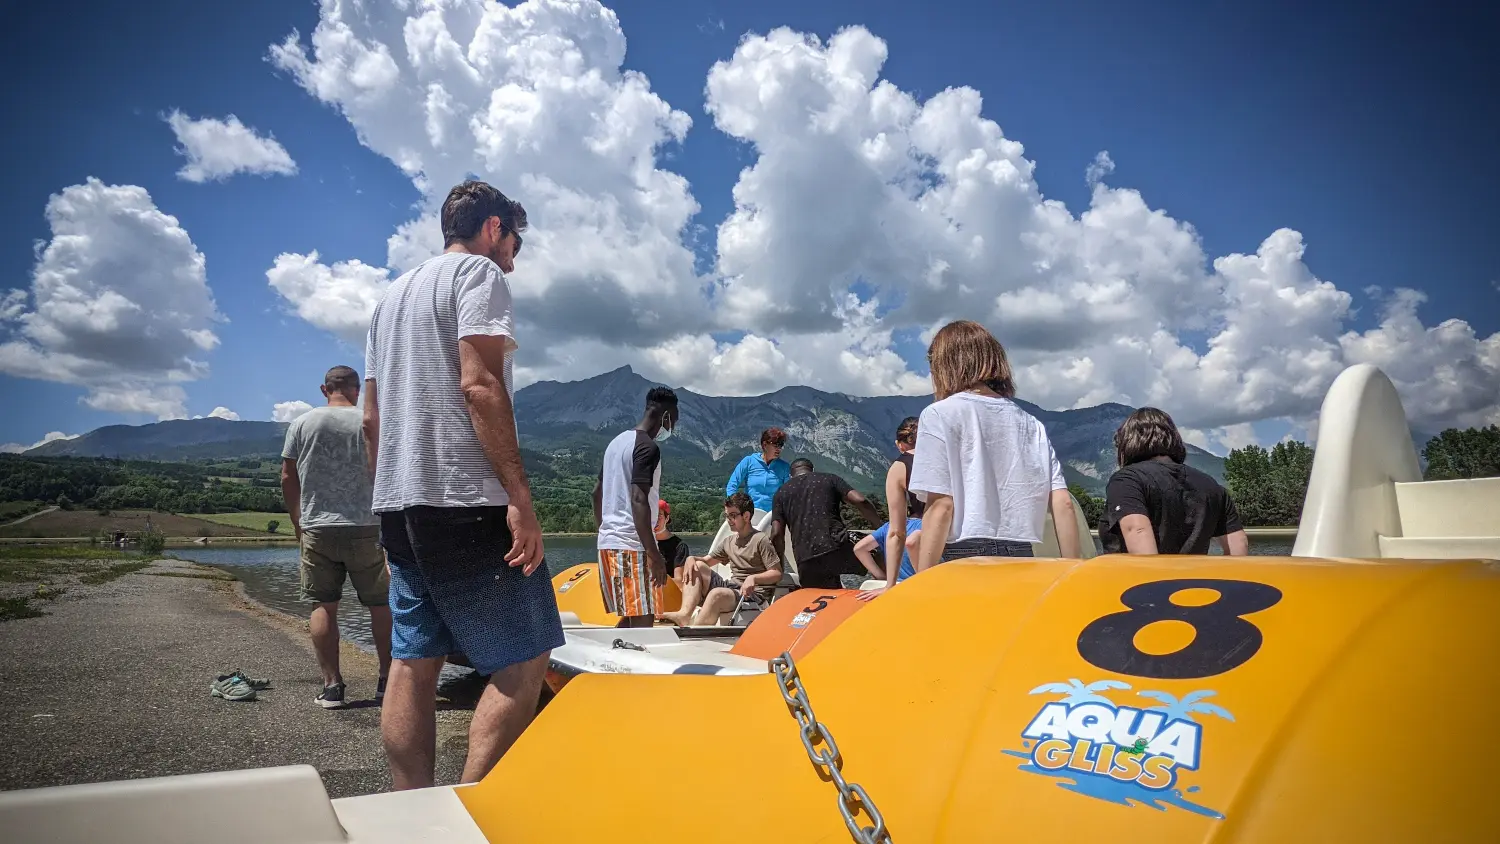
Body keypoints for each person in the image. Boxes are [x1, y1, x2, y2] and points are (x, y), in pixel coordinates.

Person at [363, 179, 561, 790]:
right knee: (528, 655)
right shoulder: (479, 276)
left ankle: (409, 808)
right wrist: (520, 499)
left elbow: (370, 418)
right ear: (494, 228)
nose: (514, 260)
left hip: (400, 504)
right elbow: (479, 385)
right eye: (515, 243)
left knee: (414, 659)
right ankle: (471, 802)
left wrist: (388, 498)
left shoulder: (389, 299)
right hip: (465, 500)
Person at [909, 320, 1081, 574]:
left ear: (944, 365)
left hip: (963, 554)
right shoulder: (1030, 423)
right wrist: (1072, 569)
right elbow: (1063, 503)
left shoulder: (939, 415)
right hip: (1022, 553)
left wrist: (921, 582)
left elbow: (942, 505)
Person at [280, 365, 392, 709]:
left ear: (324, 389)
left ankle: (332, 687)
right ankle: (388, 682)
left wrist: (299, 521)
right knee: (381, 605)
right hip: (367, 527)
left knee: (323, 605)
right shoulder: (371, 421)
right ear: (356, 390)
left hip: (318, 527)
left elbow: (287, 476)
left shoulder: (302, 423)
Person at [1101, 407, 1250, 556]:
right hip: (1195, 578)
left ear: (1127, 442)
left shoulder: (1127, 480)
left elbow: (1137, 530)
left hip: (1143, 578)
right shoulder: (1212, 485)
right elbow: (1238, 545)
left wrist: (1156, 578)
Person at [592, 387, 680, 628]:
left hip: (609, 543)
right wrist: (655, 554)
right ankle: (634, 665)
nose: (672, 427)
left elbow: (596, 494)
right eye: (673, 419)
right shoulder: (647, 447)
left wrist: (608, 530)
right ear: (665, 415)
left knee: (632, 614)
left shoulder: (616, 443)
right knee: (643, 618)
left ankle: (610, 659)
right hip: (633, 545)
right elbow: (638, 499)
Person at [666, 492, 783, 626]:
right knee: (696, 566)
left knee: (717, 594)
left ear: (746, 516)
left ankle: (698, 632)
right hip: (732, 588)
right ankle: (685, 615)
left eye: (733, 515)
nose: (728, 520)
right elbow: (706, 561)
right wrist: (691, 558)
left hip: (753, 595)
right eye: (727, 516)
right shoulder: (729, 541)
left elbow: (777, 573)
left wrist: (754, 578)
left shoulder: (761, 540)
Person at [770, 458, 882, 589]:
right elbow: (860, 500)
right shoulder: (829, 479)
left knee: (823, 600)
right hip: (837, 547)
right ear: (813, 470)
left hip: (806, 559)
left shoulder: (780, 493)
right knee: (877, 550)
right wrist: (881, 527)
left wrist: (779, 569)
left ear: (791, 476)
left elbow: (776, 534)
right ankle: (889, 592)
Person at [852, 515, 923, 601]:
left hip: (892, 585)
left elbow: (859, 549)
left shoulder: (890, 527)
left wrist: (882, 579)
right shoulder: (925, 525)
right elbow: (912, 542)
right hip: (915, 587)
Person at [724, 427, 791, 513]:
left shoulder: (784, 467)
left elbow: (788, 494)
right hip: (750, 514)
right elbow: (732, 485)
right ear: (764, 445)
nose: (779, 448)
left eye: (781, 445)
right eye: (775, 445)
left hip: (773, 516)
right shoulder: (748, 461)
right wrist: (734, 507)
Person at [653, 500, 691, 586]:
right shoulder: (642, 543)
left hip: (667, 593)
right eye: (651, 515)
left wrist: (651, 583)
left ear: (667, 518)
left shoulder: (679, 546)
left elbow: (679, 580)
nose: (654, 519)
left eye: (658, 516)